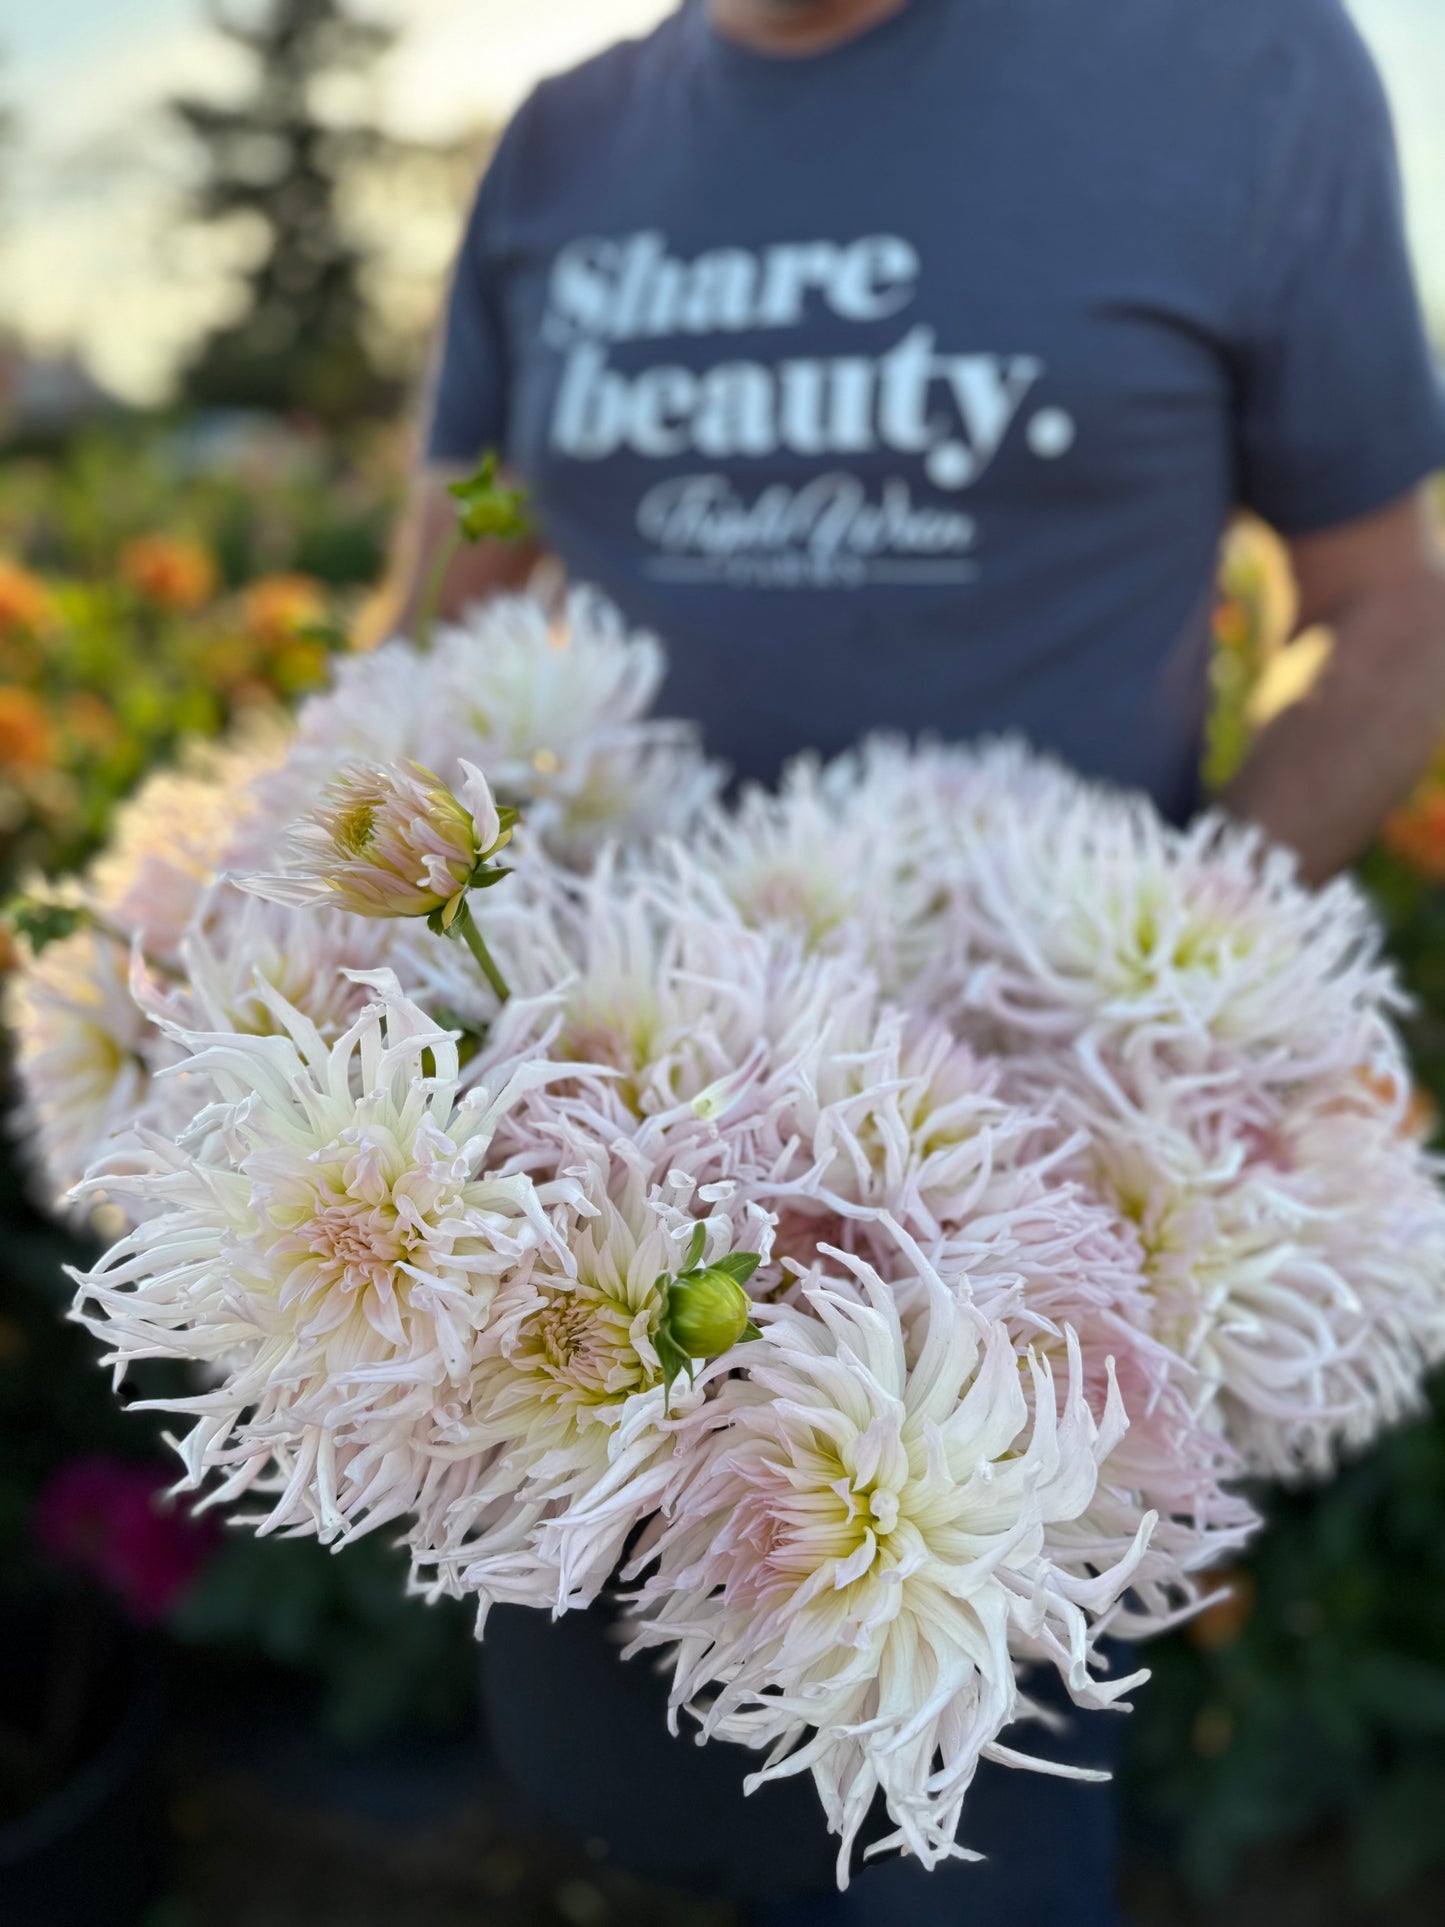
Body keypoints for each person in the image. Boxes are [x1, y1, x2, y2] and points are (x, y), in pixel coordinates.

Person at [380, 1, 1445, 1918]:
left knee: (946, 1860)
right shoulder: (559, 142)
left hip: (1005, 1257)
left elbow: (1390, 606)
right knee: (616, 1784)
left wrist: (1178, 958)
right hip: (593, 1204)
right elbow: (449, 612)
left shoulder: (1242, 70)